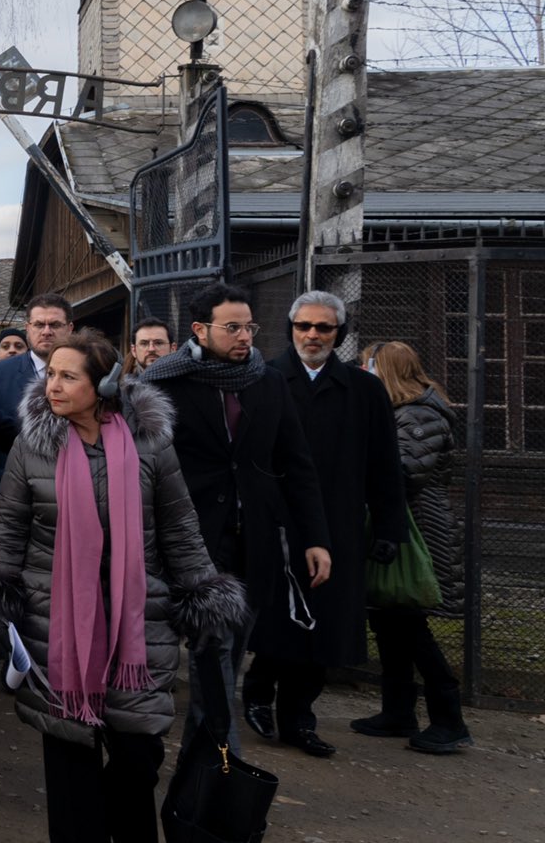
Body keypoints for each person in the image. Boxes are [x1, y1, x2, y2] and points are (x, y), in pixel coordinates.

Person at [0, 333, 247, 843]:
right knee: (69, 753)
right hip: (56, 620)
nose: (54, 386)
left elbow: (179, 527)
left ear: (107, 386)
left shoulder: (151, 445)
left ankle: (130, 830)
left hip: (138, 619)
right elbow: (8, 527)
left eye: (70, 377)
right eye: (52, 375)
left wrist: (201, 597)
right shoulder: (32, 446)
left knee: (138, 748)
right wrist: (0, 602)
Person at [137, 281, 330, 759]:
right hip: (191, 536)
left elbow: (296, 462)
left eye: (250, 326)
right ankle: (221, 757)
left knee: (231, 651)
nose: (245, 336)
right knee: (213, 650)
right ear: (200, 330)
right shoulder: (163, 382)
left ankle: (204, 759)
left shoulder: (267, 382)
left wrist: (315, 538)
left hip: (256, 538)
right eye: (233, 327)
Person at [242, 291, 410, 756]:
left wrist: (390, 527)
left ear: (340, 333)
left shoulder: (364, 390)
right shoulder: (264, 378)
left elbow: (384, 465)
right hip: (277, 522)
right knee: (277, 619)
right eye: (304, 326)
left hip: (337, 526)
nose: (312, 335)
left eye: (324, 328)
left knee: (327, 625)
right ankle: (258, 689)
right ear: (291, 329)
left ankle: (300, 717)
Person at [355, 341, 471, 753]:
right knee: (389, 620)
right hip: (399, 524)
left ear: (385, 369)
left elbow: (401, 472)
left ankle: (449, 719)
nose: (362, 371)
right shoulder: (401, 413)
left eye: (368, 365)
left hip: (418, 529)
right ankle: (398, 712)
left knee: (410, 625)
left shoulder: (420, 415)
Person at [0, 293, 74, 446]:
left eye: (55, 325)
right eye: (39, 325)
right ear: (27, 328)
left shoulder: (89, 372)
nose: (46, 332)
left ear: (70, 328)